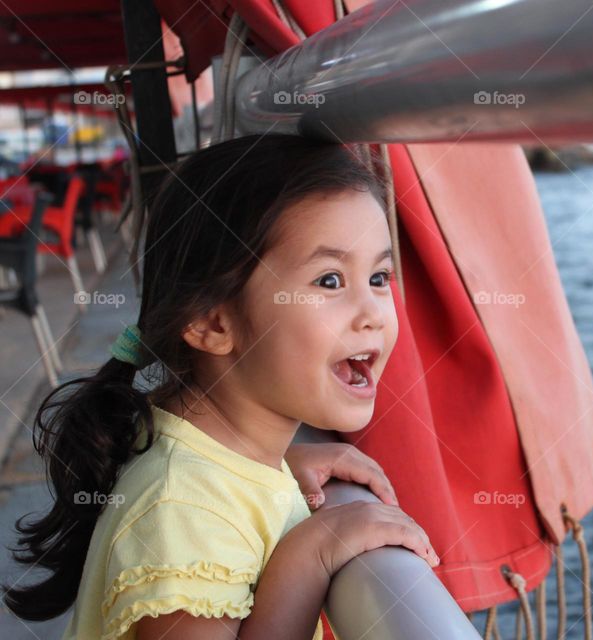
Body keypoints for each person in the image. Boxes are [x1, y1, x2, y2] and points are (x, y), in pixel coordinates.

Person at [2, 133, 440, 640]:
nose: (373, 314)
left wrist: (275, 474)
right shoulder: (183, 512)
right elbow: (189, 502)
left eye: (380, 277)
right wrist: (311, 554)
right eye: (329, 280)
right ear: (212, 322)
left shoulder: (202, 462)